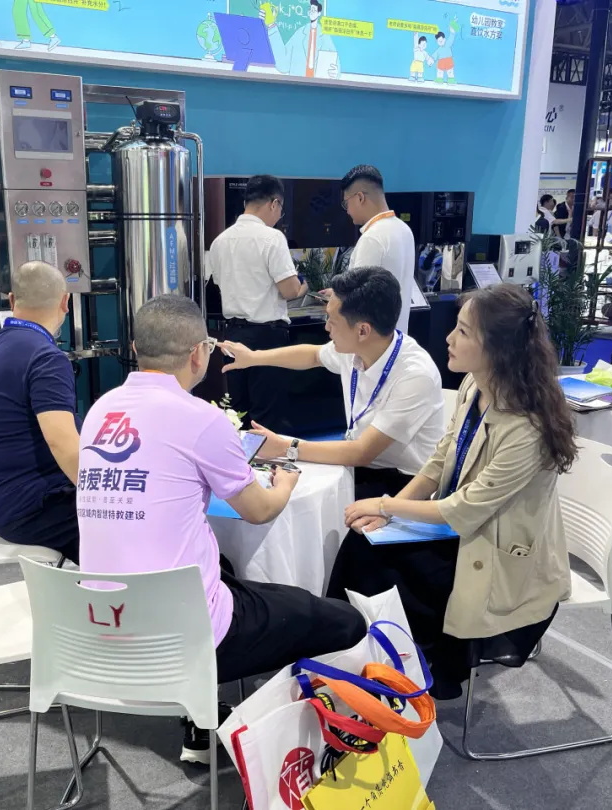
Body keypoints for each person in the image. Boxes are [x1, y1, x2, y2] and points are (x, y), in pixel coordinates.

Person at [77, 295, 367, 763]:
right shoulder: (200, 418)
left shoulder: (100, 411)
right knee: (342, 620)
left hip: (101, 628)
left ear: (135, 348)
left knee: (224, 566)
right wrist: (287, 483)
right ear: (198, 354)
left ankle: (202, 722)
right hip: (188, 636)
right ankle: (302, 752)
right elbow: (259, 511)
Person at [325, 284, 574, 699]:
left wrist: (387, 505)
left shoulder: (526, 426)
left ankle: (400, 671)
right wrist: (390, 512)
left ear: (498, 348)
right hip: (460, 530)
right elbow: (441, 460)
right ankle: (353, 660)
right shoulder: (475, 386)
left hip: (494, 551)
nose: (449, 338)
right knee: (362, 543)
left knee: (381, 567)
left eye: (463, 331)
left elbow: (466, 508)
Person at [220, 266, 445, 503]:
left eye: (332, 321)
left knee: (299, 500)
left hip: (406, 484)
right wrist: (253, 358)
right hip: (359, 466)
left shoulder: (414, 375)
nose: (326, 327)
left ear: (363, 330)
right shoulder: (358, 348)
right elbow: (313, 356)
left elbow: (362, 452)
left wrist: (286, 447)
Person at [0, 260, 80, 561]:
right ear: (65, 302)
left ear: (12, 300)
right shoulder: (46, 358)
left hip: (4, 499)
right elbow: (62, 444)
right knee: (129, 522)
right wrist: (104, 496)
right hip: (33, 508)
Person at [209, 175, 307, 435]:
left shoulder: (220, 241)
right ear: (274, 203)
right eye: (280, 209)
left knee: (238, 412)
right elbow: (290, 290)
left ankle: (241, 460)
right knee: (268, 416)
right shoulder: (272, 238)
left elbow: (220, 284)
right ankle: (269, 461)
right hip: (267, 336)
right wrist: (304, 286)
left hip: (233, 336)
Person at [341, 165, 419, 333]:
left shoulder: (372, 238)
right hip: (397, 336)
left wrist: (338, 299)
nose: (347, 211)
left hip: (371, 340)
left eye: (346, 203)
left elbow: (358, 299)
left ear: (360, 198)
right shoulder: (404, 229)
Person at [264, 0, 339, 79]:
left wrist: (335, 72)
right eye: (310, 9)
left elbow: (335, 62)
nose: (311, 12)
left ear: (319, 13)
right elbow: (283, 64)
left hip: (319, 84)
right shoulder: (300, 34)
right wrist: (272, 26)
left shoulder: (325, 37)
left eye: (314, 10)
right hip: (298, 83)